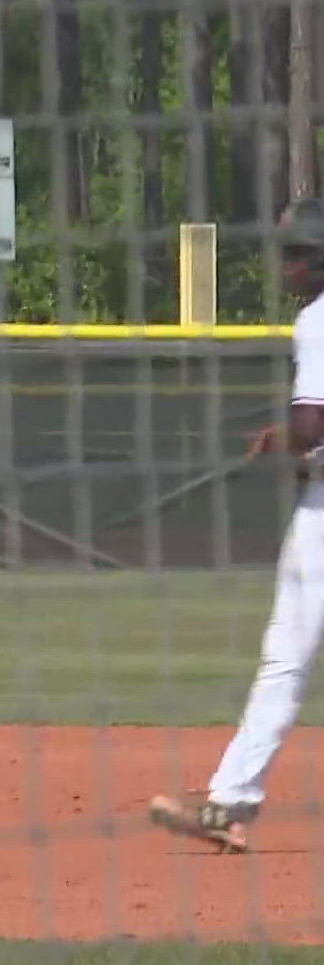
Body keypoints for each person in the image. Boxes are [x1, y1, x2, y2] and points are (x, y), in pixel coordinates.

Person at [149, 198, 324, 854]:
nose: (284, 265)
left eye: (293, 253)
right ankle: (230, 798)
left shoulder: (318, 321)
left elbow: (314, 427)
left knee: (286, 659)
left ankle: (231, 801)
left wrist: (283, 440)